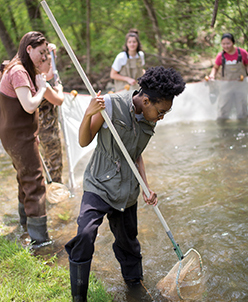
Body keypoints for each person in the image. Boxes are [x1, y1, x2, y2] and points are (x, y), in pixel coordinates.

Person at [65, 66, 185, 301]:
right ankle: (78, 296)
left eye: (165, 113)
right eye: (161, 111)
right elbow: (83, 141)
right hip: (99, 183)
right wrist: (88, 113)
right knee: (85, 234)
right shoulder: (109, 105)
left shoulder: (151, 119)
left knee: (129, 243)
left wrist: (145, 186)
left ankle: (135, 289)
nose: (161, 117)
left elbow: (135, 153)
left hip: (127, 189)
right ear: (147, 100)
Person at [0, 31, 55, 247]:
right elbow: (29, 105)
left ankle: (24, 226)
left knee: (24, 178)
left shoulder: (15, 67)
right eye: (41, 52)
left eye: (46, 52)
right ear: (28, 49)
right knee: (34, 181)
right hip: (19, 136)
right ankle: (39, 240)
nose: (44, 56)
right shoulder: (19, 72)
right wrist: (42, 89)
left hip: (12, 135)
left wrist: (50, 61)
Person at [38, 44, 64, 183]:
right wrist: (59, 89)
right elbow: (59, 100)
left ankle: (52, 188)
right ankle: (56, 192)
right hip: (47, 130)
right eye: (48, 63)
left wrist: (52, 56)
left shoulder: (35, 79)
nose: (51, 67)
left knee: (49, 162)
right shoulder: (42, 83)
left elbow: (51, 74)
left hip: (43, 129)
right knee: (54, 163)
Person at [209, 33, 248, 120]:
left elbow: (246, 65)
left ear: (233, 43)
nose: (226, 46)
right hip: (225, 87)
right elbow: (215, 68)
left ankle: (242, 129)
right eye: (223, 44)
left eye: (228, 43)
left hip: (241, 86)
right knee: (223, 109)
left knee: (242, 110)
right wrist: (212, 75)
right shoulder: (221, 56)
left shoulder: (242, 53)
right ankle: (223, 130)